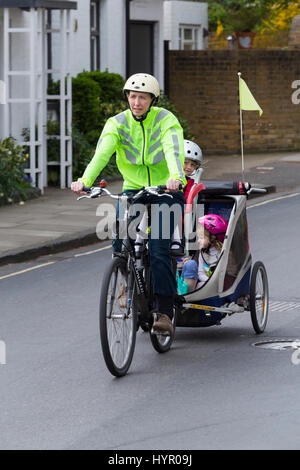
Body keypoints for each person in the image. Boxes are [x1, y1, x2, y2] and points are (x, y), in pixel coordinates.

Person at [71, 73, 186, 336]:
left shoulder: (166, 120)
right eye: (132, 96)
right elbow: (102, 154)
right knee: (120, 241)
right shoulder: (117, 123)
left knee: (158, 249)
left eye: (142, 97)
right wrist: (85, 180)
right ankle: (127, 283)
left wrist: (176, 177)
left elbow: (173, 150)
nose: (136, 102)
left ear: (152, 100)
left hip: (166, 190)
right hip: (133, 190)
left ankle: (165, 312)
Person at [135, 138, 203, 255]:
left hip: (177, 212)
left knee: (172, 207)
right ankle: (138, 240)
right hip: (156, 207)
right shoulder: (163, 177)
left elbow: (187, 199)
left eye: (192, 165)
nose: (188, 167)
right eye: (185, 162)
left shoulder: (190, 183)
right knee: (146, 208)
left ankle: (176, 241)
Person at [181, 214, 228, 291]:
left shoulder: (222, 254)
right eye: (198, 237)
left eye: (201, 237)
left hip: (217, 287)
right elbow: (200, 273)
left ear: (212, 238)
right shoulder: (202, 253)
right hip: (205, 283)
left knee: (201, 285)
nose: (198, 240)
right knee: (190, 264)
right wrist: (207, 282)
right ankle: (185, 294)